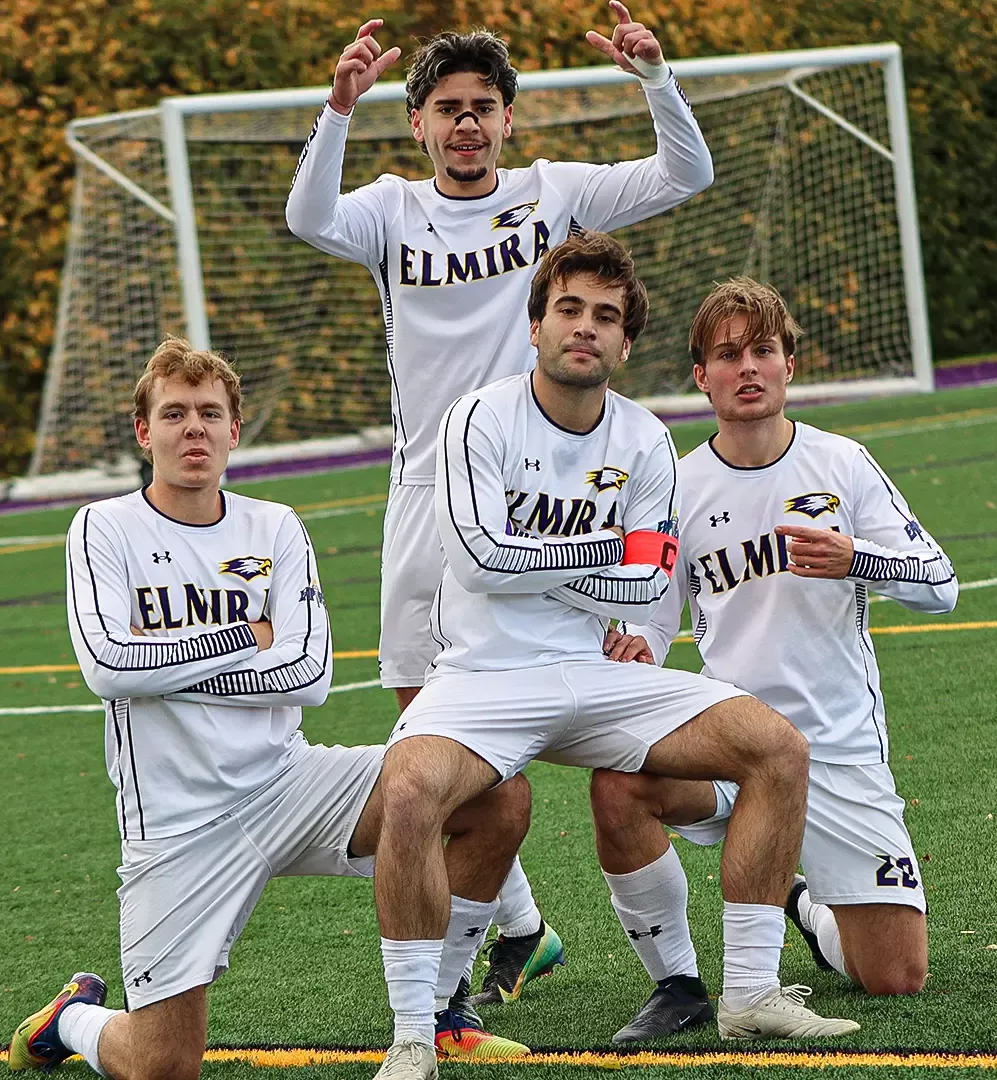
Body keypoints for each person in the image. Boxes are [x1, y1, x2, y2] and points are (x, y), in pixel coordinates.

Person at [285, 9, 714, 1003]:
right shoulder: (391, 210)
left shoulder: (553, 194)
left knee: (607, 703)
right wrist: (336, 108)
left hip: (554, 493)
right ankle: (518, 926)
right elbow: (310, 218)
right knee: (423, 734)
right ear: (421, 127)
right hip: (430, 496)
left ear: (510, 121)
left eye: (483, 108)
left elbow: (684, 176)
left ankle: (581, 928)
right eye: (447, 111)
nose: (467, 124)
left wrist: (656, 80)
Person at [363, 234, 859, 1080]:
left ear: (625, 344)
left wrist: (552, 563)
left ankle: (747, 994)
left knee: (776, 748)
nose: (584, 328)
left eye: (605, 317)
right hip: (484, 679)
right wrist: (602, 554)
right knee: (410, 786)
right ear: (536, 325)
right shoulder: (477, 418)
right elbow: (478, 561)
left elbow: (644, 590)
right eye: (569, 310)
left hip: (601, 676)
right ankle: (414, 1034)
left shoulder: (644, 438)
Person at [8, 339, 533, 1079]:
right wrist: (245, 638)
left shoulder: (274, 526)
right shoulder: (104, 527)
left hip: (291, 783)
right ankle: (74, 1021)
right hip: (179, 824)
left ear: (234, 430)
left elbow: (309, 673)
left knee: (497, 794)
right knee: (164, 1064)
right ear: (143, 431)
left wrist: (177, 664)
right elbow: (107, 666)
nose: (194, 429)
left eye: (209, 415)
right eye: (175, 414)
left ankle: (440, 1010)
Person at [592, 278, 958, 1043]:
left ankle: (798, 899)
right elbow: (656, 619)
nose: (747, 367)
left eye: (763, 350)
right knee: (621, 784)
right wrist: (637, 647)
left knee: (895, 977)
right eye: (728, 355)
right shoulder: (678, 485)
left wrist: (861, 559)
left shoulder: (843, 463)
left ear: (790, 364)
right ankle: (680, 983)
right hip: (730, 739)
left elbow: (941, 584)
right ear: (702, 377)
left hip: (837, 749)